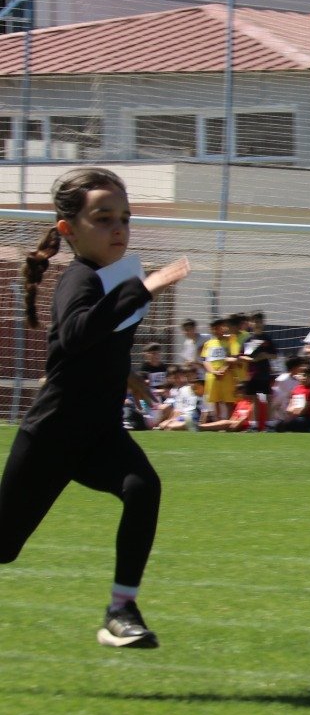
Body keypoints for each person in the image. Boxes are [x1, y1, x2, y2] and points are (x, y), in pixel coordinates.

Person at [0, 167, 190, 648]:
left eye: (124, 217)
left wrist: (126, 375)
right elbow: (76, 335)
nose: (118, 228)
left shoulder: (112, 276)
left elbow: (93, 346)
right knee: (3, 547)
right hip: (54, 436)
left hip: (99, 434)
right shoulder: (80, 278)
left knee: (142, 487)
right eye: (103, 218)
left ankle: (121, 610)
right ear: (68, 230)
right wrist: (144, 288)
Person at [198, 316, 240, 423]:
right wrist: (213, 371)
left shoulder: (231, 340)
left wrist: (224, 369)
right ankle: (217, 423)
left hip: (227, 375)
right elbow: (205, 360)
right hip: (213, 376)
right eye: (214, 328)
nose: (217, 330)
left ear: (224, 327)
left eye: (219, 327)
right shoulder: (208, 344)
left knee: (228, 401)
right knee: (215, 401)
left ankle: (229, 423)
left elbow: (234, 357)